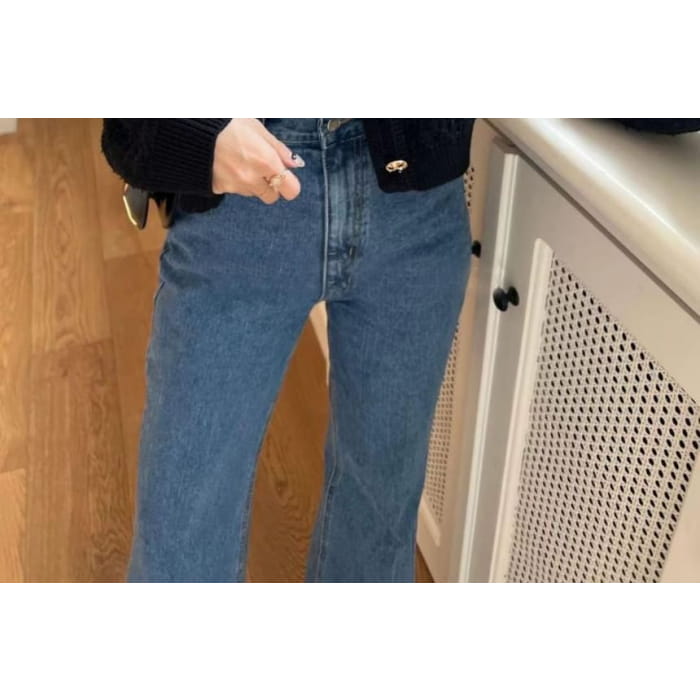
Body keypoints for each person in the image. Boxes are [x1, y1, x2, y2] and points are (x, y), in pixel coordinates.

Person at [101, 118, 476, 582]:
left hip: (415, 198)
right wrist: (195, 130)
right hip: (239, 196)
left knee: (381, 503)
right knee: (183, 519)